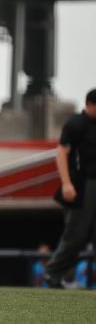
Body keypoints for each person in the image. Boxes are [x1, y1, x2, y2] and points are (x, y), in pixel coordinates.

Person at [45, 88, 96, 288]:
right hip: (82, 185)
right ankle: (53, 273)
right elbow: (61, 153)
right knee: (77, 234)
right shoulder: (76, 123)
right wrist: (66, 183)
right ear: (90, 105)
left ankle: (66, 276)